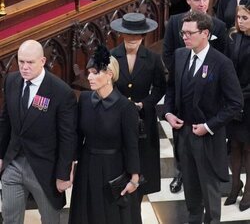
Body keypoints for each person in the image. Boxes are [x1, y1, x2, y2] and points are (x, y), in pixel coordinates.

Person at [164, 11, 243, 223]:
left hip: (207, 138)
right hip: (183, 135)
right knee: (190, 191)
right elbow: (170, 89)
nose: (185, 37)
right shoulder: (180, 56)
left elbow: (236, 103)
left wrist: (209, 126)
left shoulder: (221, 63)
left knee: (209, 193)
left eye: (190, 33)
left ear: (205, 33)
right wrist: (168, 113)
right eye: (183, 33)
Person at [0, 40, 77, 224]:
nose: (24, 67)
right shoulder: (11, 80)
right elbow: (5, 121)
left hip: (45, 169)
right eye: (21, 62)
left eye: (30, 62)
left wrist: (63, 174)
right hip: (13, 163)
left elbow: (68, 137)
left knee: (50, 219)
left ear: (42, 61)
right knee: (10, 218)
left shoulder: (61, 92)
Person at [162, 0, 227, 194]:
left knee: (206, 139)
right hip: (181, 87)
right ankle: (181, 171)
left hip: (208, 92)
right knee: (180, 135)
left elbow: (224, 59)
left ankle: (207, 173)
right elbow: (168, 53)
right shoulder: (174, 22)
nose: (202, 3)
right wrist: (182, 73)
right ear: (188, 0)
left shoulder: (217, 26)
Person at [68, 45, 141, 224]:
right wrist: (69, 166)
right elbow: (77, 137)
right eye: (89, 73)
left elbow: (131, 145)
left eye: (95, 73)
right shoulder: (84, 100)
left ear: (109, 75)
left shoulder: (126, 107)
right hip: (87, 165)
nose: (90, 77)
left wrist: (134, 178)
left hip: (113, 168)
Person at [110, 12, 167, 224]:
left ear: (143, 36)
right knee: (120, 166)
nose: (132, 40)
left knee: (142, 168)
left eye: (136, 36)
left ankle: (136, 213)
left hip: (144, 121)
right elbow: (107, 85)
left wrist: (145, 103)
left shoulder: (152, 58)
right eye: (127, 36)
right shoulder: (112, 56)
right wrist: (121, 104)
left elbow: (161, 87)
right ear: (122, 35)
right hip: (117, 119)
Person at [224, 0, 250, 211]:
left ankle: (249, 190)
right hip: (234, 100)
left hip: (249, 100)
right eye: (238, 17)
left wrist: (239, 95)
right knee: (234, 145)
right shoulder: (233, 37)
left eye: (245, 18)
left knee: (249, 148)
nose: (240, 21)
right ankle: (235, 185)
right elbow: (227, 68)